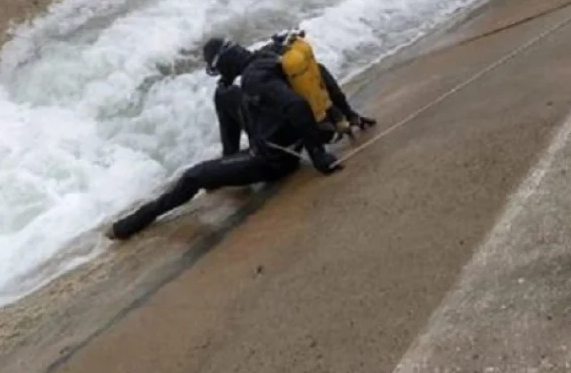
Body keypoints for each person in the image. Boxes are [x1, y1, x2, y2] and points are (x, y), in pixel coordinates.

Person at [108, 35, 376, 240]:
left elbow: (296, 106)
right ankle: (229, 159)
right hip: (297, 134)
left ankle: (135, 221)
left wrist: (319, 156)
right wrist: (348, 113)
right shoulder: (268, 55)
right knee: (223, 96)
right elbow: (320, 70)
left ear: (222, 65)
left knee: (194, 176)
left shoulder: (253, 81)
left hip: (275, 159)